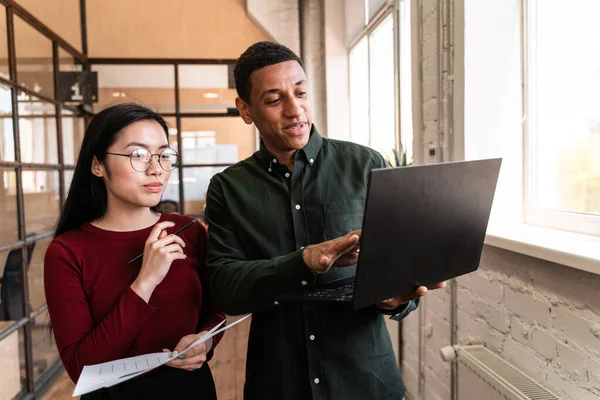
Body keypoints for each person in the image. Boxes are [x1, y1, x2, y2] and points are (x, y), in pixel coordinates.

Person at [205, 41, 446, 400]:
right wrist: (301, 262)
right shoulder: (229, 188)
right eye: (274, 100)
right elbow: (225, 288)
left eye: (301, 93)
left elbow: (398, 268)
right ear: (245, 109)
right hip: (279, 383)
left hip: (366, 381)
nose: (295, 110)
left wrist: (395, 298)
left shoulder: (365, 165)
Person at [44, 103, 226, 399]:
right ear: (97, 165)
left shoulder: (189, 231)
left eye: (164, 155)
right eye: (138, 154)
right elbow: (81, 367)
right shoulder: (67, 252)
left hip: (192, 391)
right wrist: (145, 282)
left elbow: (214, 313)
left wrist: (206, 340)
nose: (156, 168)